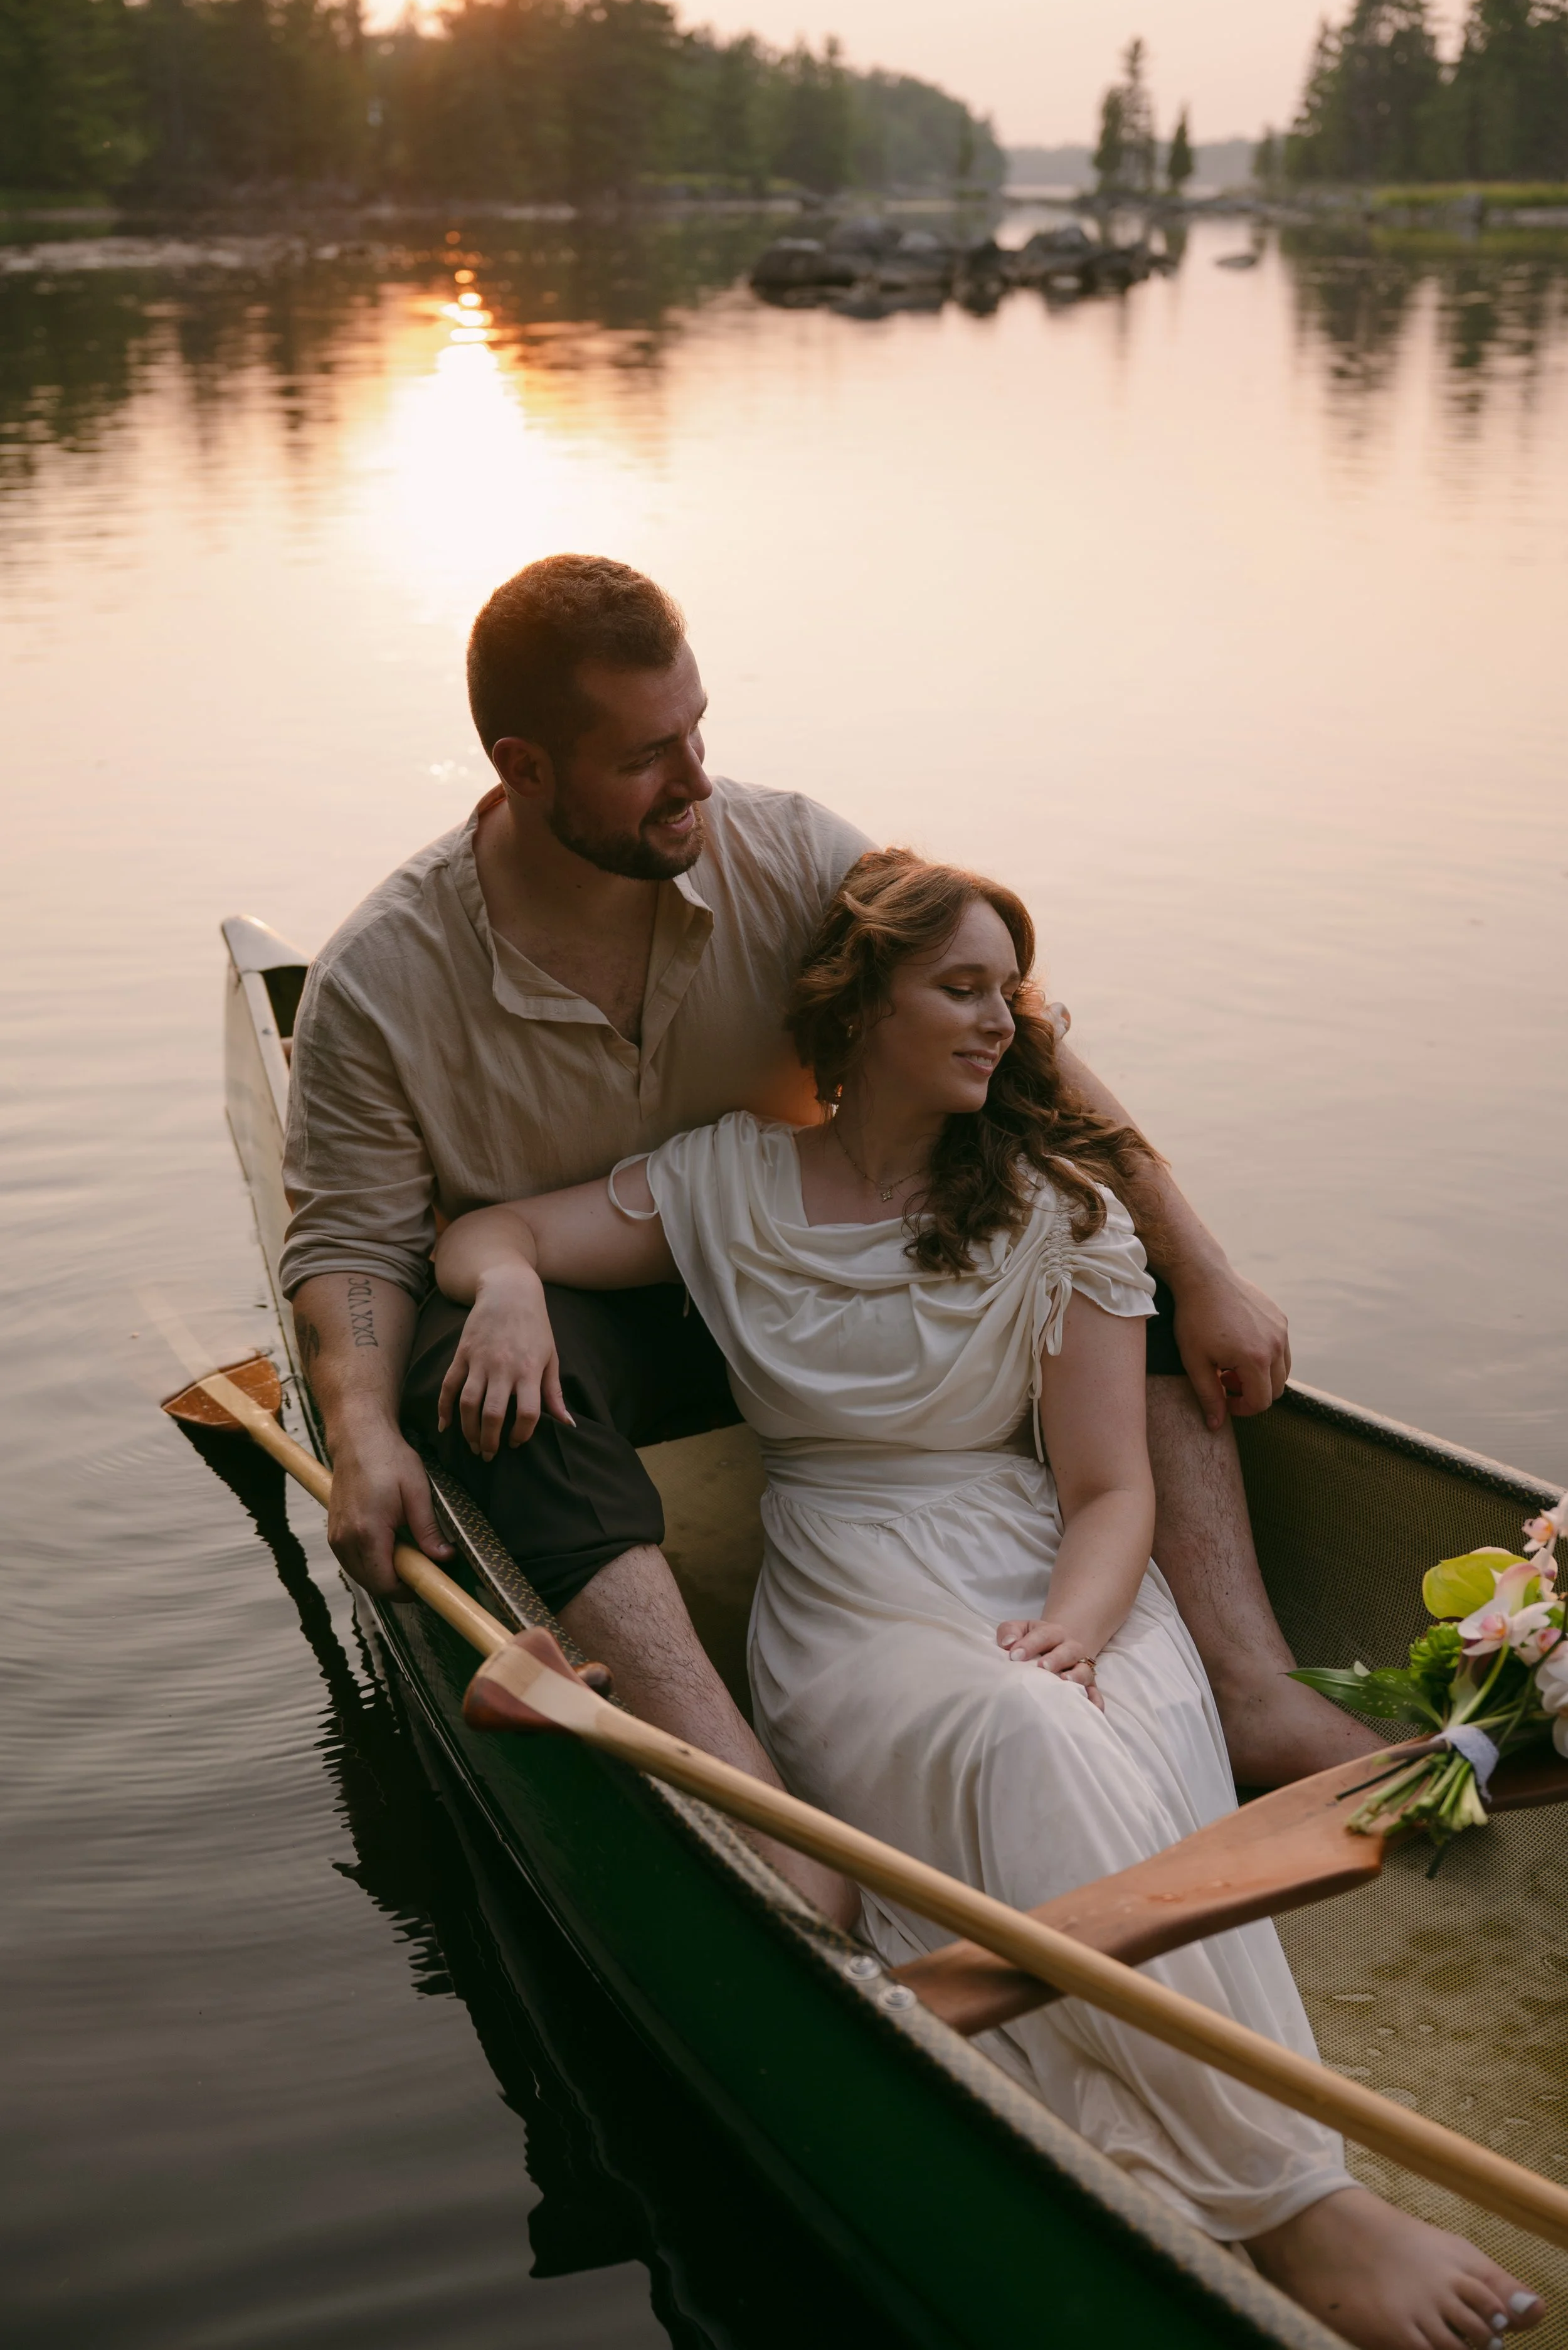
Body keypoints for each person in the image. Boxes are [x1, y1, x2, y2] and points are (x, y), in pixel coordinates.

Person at [429, 850, 1545, 2350]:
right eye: (958, 988)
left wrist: (1082, 1624)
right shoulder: (720, 1180)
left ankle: (1277, 2188)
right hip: (843, 1589)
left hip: (1049, 1568)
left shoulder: (1060, 1208)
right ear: (854, 1003)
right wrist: (504, 1290)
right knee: (1014, 1732)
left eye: (1006, 994)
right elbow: (486, 1233)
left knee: (1046, 1712)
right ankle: (1292, 2203)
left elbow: (1108, 1492)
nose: (998, 1023)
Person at [281, 553, 1372, 1906]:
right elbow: (350, 1247)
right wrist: (368, 1432)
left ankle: (1248, 1683)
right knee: (486, 1385)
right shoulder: (380, 980)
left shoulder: (785, 846)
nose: (693, 779)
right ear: (523, 766)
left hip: (811, 1255)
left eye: (696, 730)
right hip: (581, 1288)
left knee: (1106, 1242)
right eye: (644, 758)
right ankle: (747, 1799)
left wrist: (1201, 1267)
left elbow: (1005, 1038)